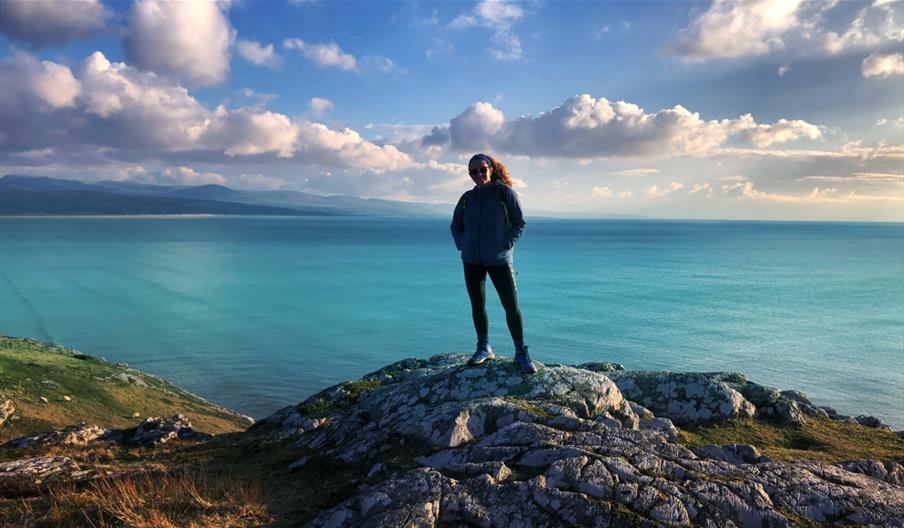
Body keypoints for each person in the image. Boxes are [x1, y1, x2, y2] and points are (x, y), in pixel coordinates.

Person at [450, 153, 537, 374]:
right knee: (477, 305)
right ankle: (483, 348)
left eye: (482, 169)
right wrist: (463, 244)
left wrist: (506, 243)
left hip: (499, 260)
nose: (478, 174)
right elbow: (455, 226)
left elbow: (520, 222)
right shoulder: (467, 198)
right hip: (471, 260)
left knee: (511, 306)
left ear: (491, 168)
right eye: (473, 172)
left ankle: (521, 352)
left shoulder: (504, 193)